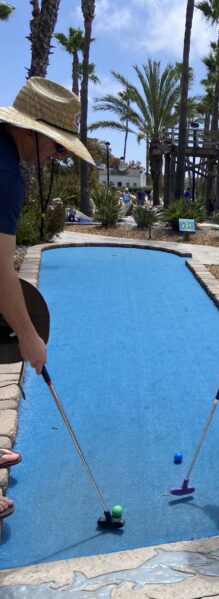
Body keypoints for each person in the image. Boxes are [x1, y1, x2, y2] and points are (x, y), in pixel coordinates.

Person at [0, 76, 94, 519]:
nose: (56, 156)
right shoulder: (3, 172)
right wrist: (29, 335)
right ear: (32, 129)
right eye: (57, 146)